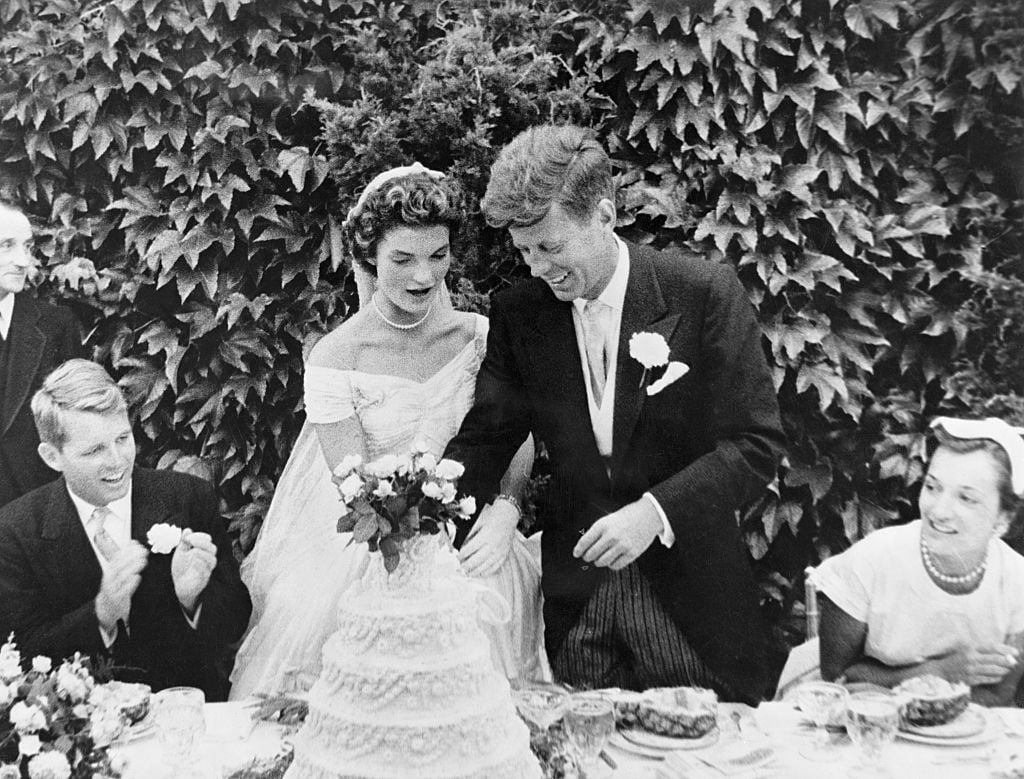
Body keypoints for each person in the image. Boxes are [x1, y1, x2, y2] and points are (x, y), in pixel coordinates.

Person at [444, 124, 787, 704]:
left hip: (693, 603)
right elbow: (486, 438)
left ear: (603, 214)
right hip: (580, 607)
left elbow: (755, 445)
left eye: (550, 247)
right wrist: (421, 513)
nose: (535, 268)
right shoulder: (520, 313)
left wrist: (654, 514)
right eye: (523, 251)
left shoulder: (701, 292)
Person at [230, 165, 547, 700]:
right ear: (369, 256)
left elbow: (513, 434)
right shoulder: (337, 357)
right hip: (375, 540)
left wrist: (505, 510)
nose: (424, 276)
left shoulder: (478, 336)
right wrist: (417, 550)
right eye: (403, 258)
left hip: (473, 530)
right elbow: (352, 484)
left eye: (438, 255)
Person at [0, 359, 251, 700]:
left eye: (122, 438)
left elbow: (236, 620)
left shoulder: (187, 496)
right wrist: (101, 615)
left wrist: (191, 599)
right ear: (52, 457)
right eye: (94, 450)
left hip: (187, 714)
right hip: (83, 726)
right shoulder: (15, 531)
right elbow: (23, 654)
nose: (117, 460)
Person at [814, 416, 1024, 706]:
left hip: (967, 736)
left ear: (1003, 518)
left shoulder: (1017, 581)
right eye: (932, 487)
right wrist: (938, 672)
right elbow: (835, 678)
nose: (938, 511)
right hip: (865, 723)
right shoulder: (873, 560)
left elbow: (999, 696)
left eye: (966, 498)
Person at [0, 200, 85, 508]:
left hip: (36, 509)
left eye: (27, 246)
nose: (23, 261)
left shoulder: (55, 325)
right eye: (6, 246)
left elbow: (80, 424)